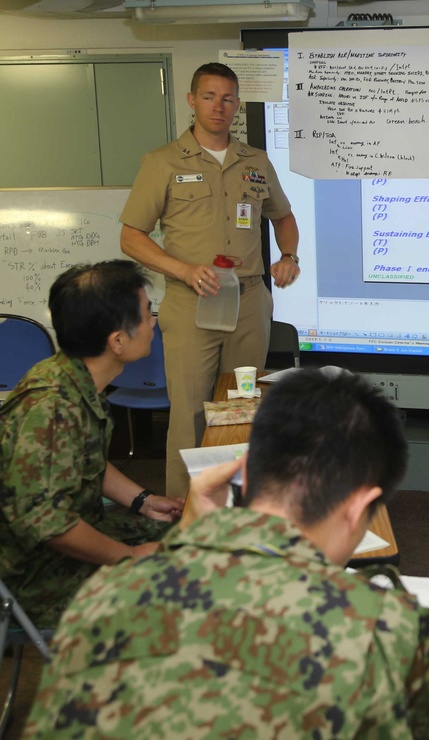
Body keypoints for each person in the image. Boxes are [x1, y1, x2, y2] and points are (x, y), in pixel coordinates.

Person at [26, 369, 429, 738]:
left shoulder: (103, 598)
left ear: (246, 469)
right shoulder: (379, 628)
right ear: (362, 508)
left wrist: (185, 537)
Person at [120, 61, 300, 499]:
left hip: (249, 299)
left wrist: (289, 255)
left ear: (237, 105)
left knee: (241, 407)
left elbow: (284, 216)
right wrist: (181, 269)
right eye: (209, 97)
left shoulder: (255, 161)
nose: (218, 106)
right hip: (191, 302)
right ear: (191, 101)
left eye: (227, 98)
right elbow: (131, 236)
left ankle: (238, 503)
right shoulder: (162, 162)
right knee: (190, 412)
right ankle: (187, 510)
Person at [0, 261, 182, 628]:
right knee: (186, 587)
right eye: (148, 314)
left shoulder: (70, 374)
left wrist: (144, 501)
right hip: (36, 577)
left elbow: (85, 461)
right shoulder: (52, 408)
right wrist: (128, 557)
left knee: (192, 538)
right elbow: (48, 523)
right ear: (117, 341)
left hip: (71, 539)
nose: (153, 323)